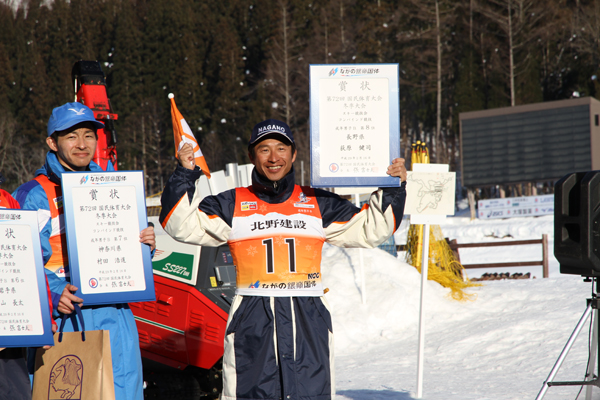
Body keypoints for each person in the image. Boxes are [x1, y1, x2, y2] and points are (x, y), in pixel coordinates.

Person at [159, 118, 407, 400]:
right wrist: (185, 173)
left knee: (310, 393)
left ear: (294, 154)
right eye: (264, 150)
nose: (274, 157)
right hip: (253, 318)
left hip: (308, 316)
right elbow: (178, 223)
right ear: (252, 156)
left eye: (281, 148)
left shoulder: (317, 202)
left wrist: (393, 185)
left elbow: (372, 228)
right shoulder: (231, 203)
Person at [12, 103, 155, 400]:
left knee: (124, 392)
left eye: (89, 136)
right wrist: (53, 293)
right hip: (66, 317)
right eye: (71, 136)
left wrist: (143, 247)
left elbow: (123, 252)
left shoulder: (113, 187)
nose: (82, 144)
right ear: (53, 142)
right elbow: (17, 261)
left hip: (116, 314)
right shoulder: (34, 194)